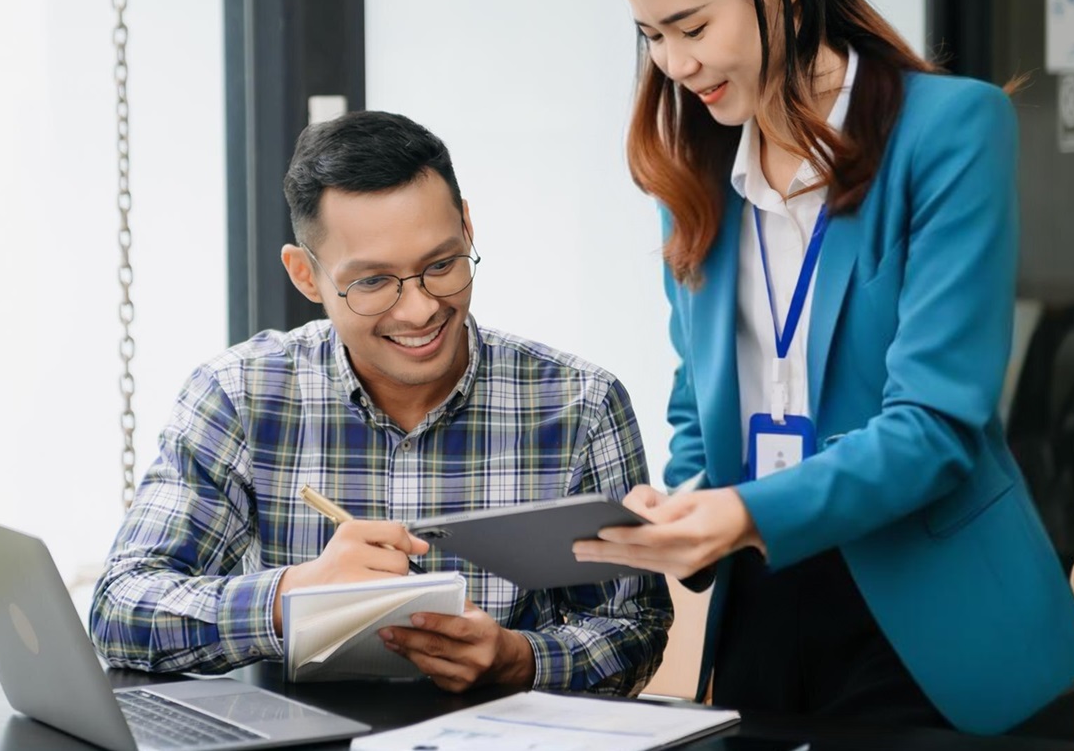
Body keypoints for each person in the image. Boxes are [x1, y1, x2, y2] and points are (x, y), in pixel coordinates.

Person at [572, 0, 1074, 733]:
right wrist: (686, 503)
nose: (673, 65)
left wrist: (736, 510)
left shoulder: (951, 131)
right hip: (765, 611)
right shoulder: (693, 176)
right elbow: (699, 404)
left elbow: (936, 427)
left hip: (934, 622)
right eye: (651, 37)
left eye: (693, 28)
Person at [90, 111, 671, 695]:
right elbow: (120, 610)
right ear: (306, 276)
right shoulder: (240, 395)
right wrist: (291, 596)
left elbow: (635, 627)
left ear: (468, 228)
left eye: (441, 265)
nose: (419, 310)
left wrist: (519, 659)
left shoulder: (581, 406)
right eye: (372, 282)